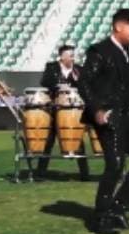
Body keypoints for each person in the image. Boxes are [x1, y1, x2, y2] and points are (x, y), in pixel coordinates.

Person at [78, 9, 129, 234]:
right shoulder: (99, 51)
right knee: (115, 165)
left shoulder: (127, 55)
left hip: (128, 119)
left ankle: (118, 208)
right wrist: (97, 110)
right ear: (118, 27)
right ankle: (100, 217)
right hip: (110, 118)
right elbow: (84, 83)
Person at [36, 44, 89, 181]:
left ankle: (84, 173)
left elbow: (86, 86)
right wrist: (58, 85)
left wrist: (77, 82)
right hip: (55, 107)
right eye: (70, 55)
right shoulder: (52, 67)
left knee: (78, 139)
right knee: (49, 139)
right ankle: (41, 172)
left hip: (73, 109)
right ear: (62, 56)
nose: (73, 58)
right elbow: (44, 82)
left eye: (73, 55)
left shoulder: (78, 70)